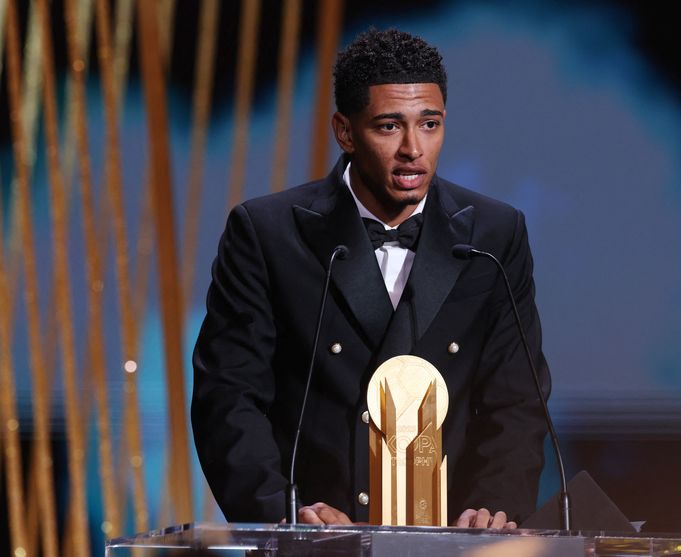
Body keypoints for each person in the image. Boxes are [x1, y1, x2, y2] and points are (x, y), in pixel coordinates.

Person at [192, 28, 551, 529]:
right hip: (320, 537)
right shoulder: (267, 233)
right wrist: (284, 514)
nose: (413, 149)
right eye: (389, 126)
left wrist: (494, 509)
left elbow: (517, 399)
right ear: (345, 131)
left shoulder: (496, 233)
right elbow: (229, 397)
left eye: (430, 124)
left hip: (449, 538)